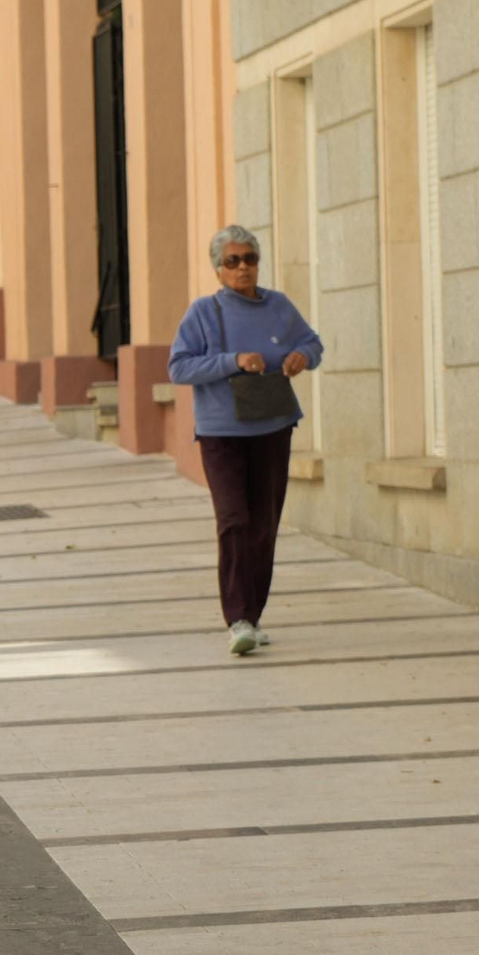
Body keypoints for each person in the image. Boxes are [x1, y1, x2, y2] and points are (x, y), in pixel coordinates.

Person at [167, 225, 323, 657]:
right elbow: (178, 368)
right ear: (218, 270)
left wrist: (301, 357)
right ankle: (237, 618)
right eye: (232, 261)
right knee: (234, 519)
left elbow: (313, 343)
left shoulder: (278, 307)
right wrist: (232, 361)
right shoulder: (202, 313)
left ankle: (252, 616)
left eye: (249, 259)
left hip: (273, 426)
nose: (242, 268)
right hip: (222, 433)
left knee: (264, 525)